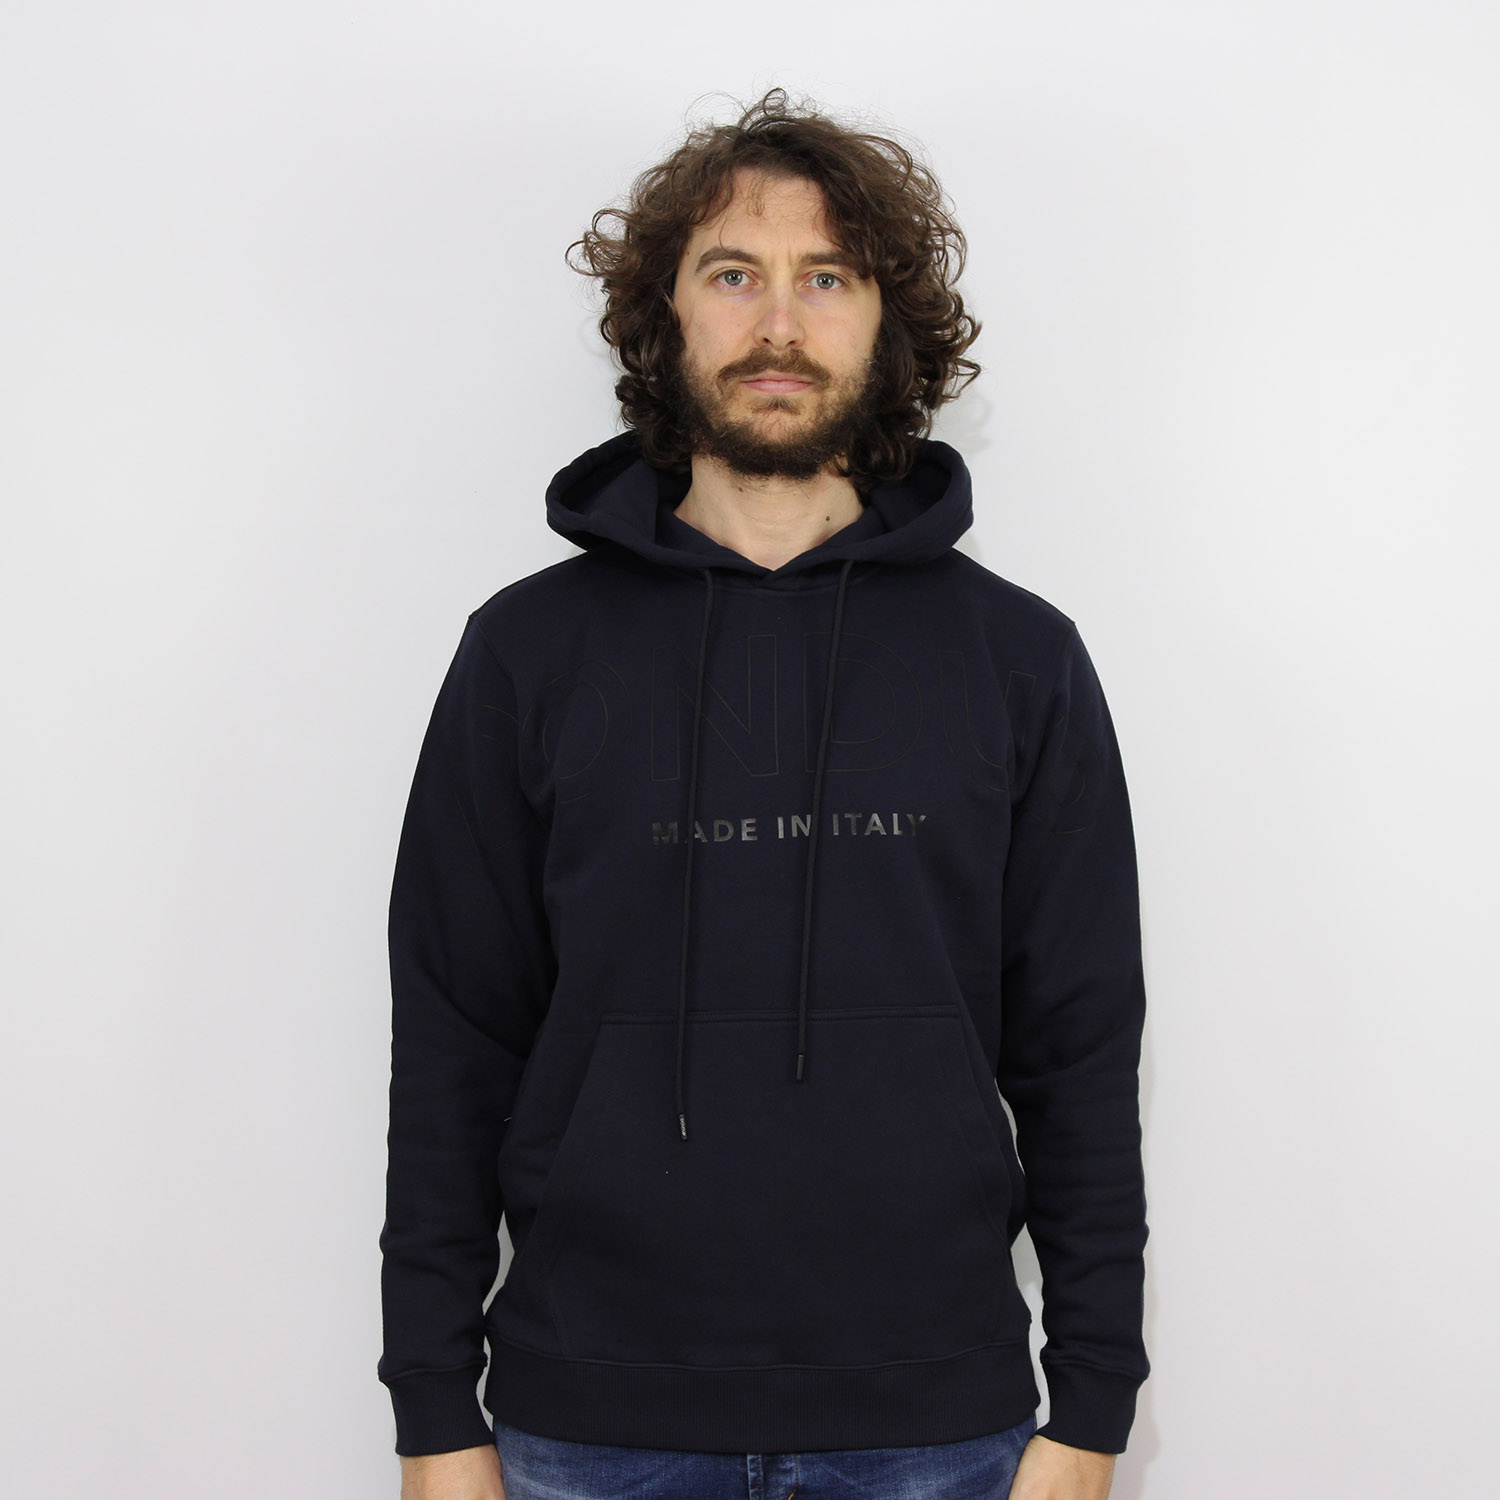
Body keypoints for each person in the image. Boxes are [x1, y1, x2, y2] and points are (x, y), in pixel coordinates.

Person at [379, 89, 1149, 1500]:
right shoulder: (527, 654)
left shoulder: (1019, 660)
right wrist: (435, 1414)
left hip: (936, 1425)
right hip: (589, 1423)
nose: (779, 323)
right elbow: (451, 1045)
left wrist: (1092, 1411)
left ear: (888, 325)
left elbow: (1082, 1054)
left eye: (827, 278)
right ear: (664, 316)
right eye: (733, 274)